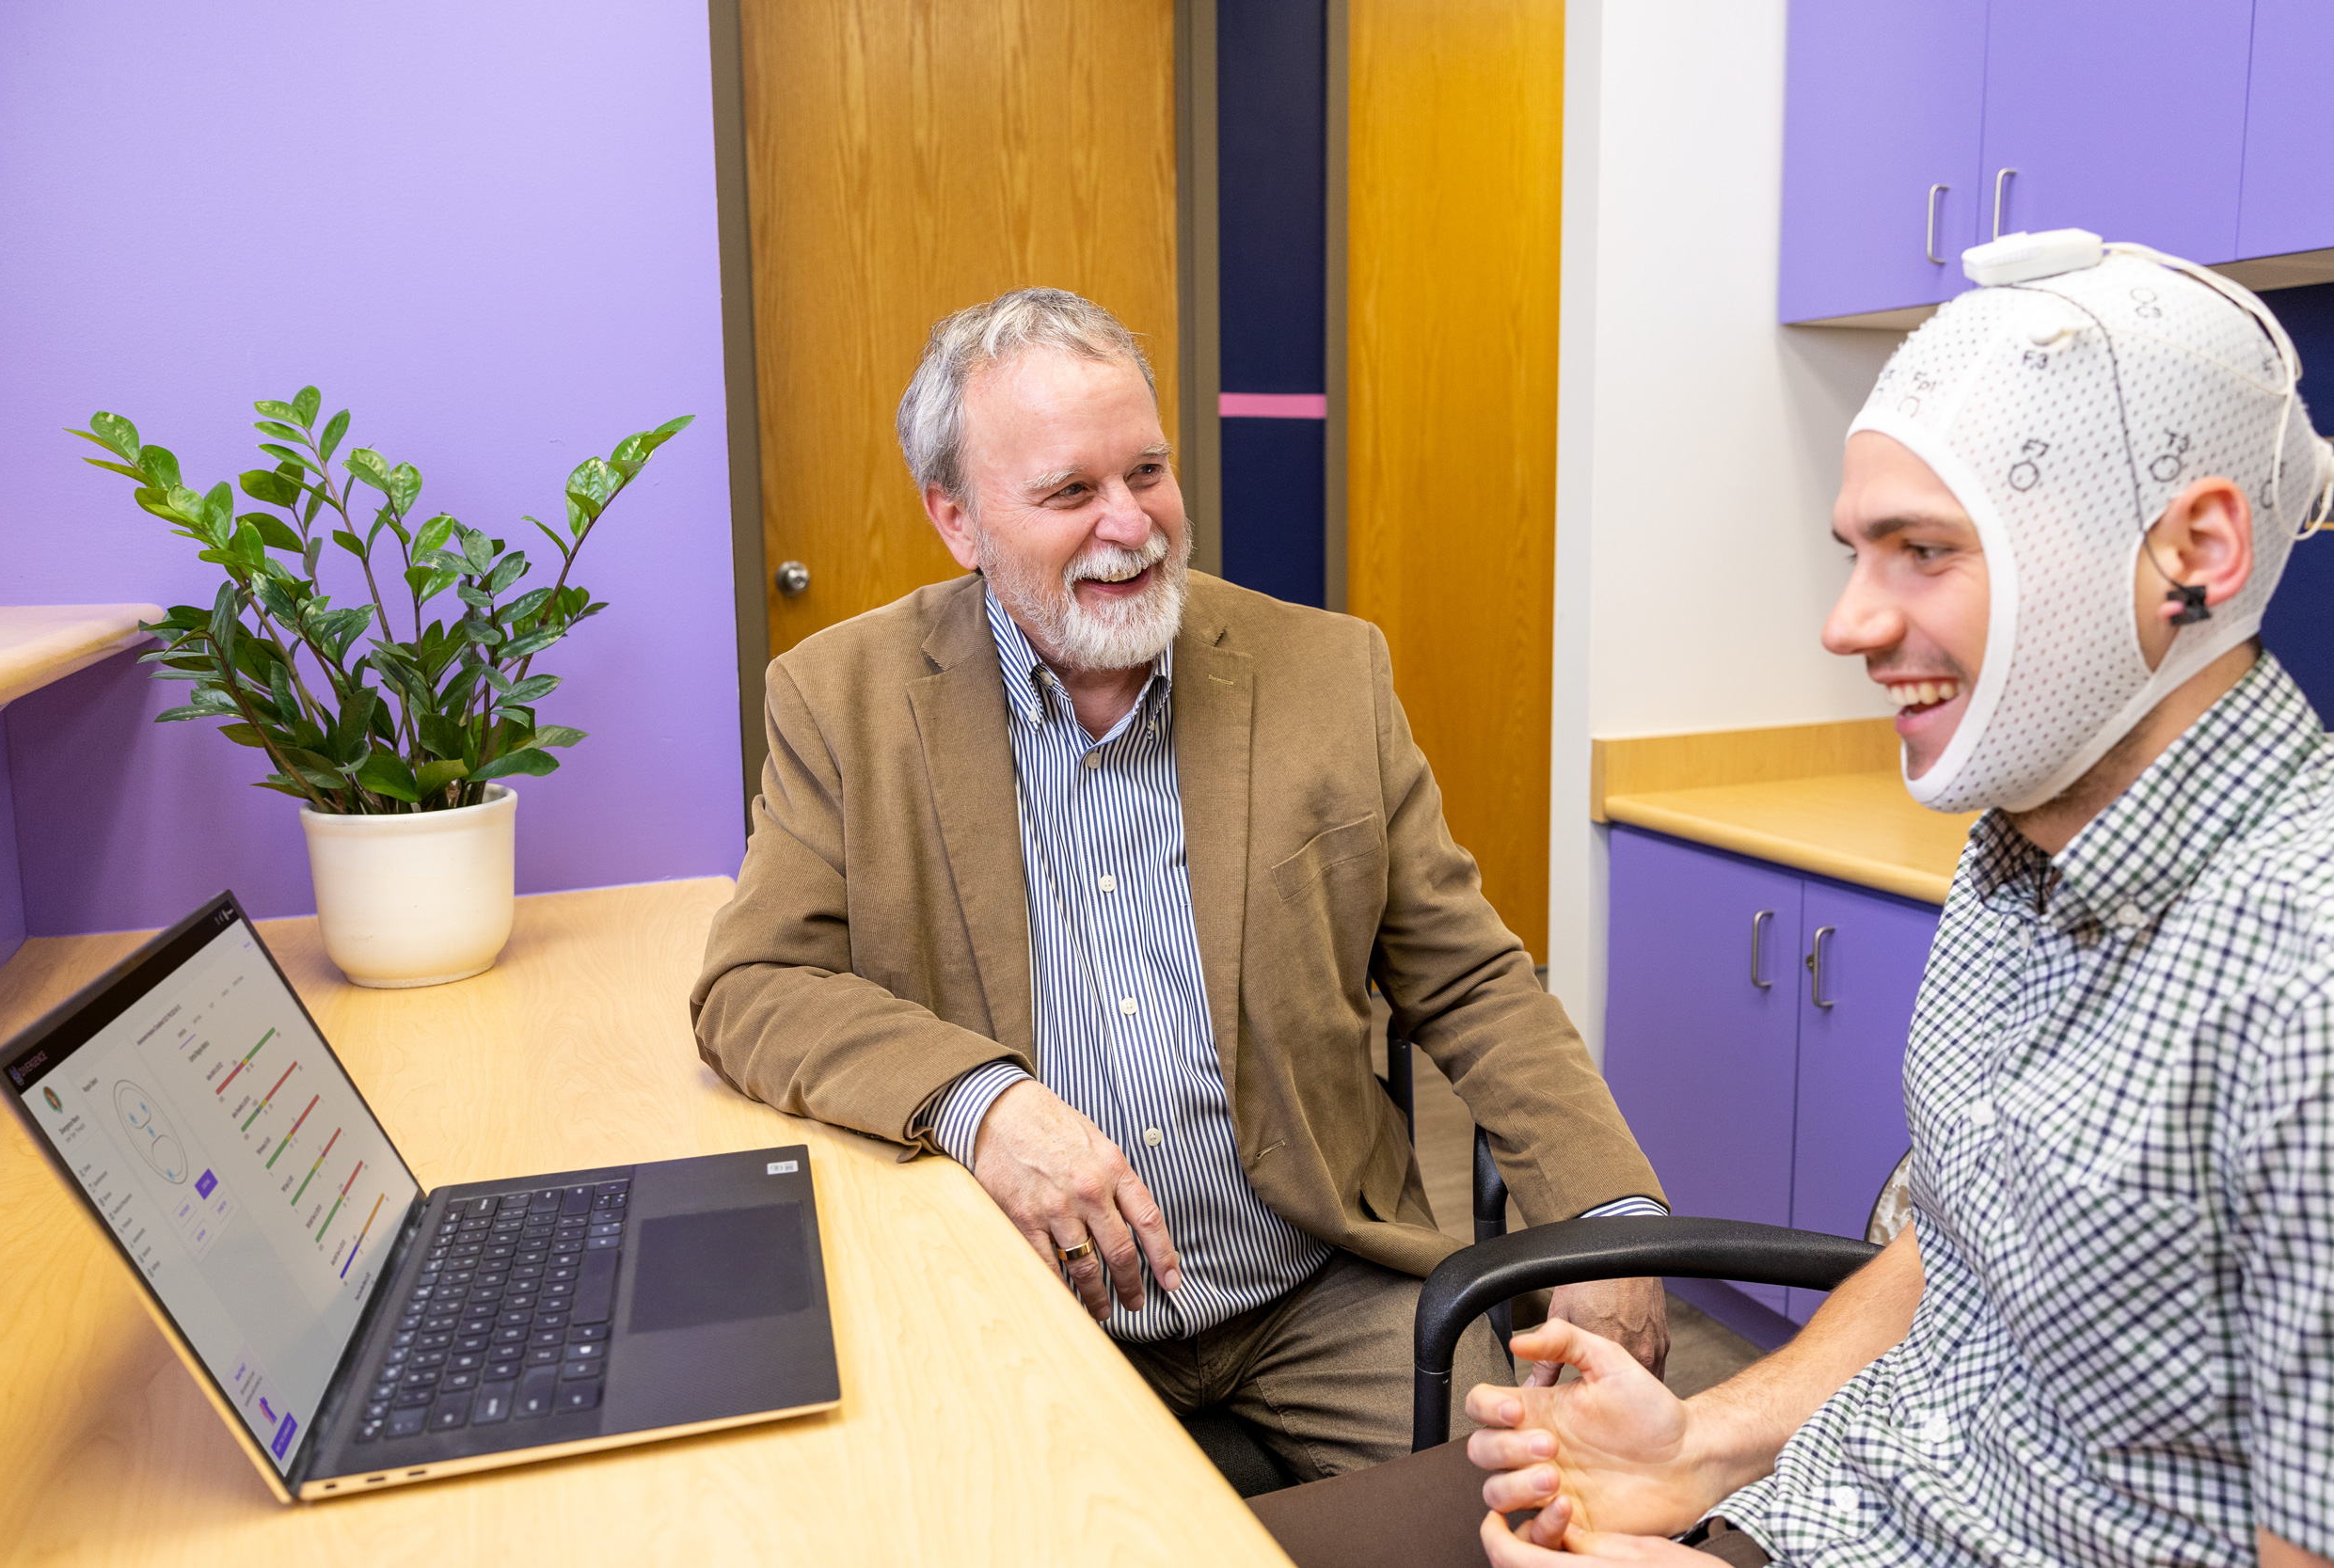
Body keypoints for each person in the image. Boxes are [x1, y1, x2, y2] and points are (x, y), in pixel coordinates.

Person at [1446, 241, 2334, 1565]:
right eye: (1857, 552)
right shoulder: (2017, 844)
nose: (1848, 624)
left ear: (2192, 551)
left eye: (1924, 551)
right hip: (1816, 1506)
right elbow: (1963, 1241)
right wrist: (1703, 1440)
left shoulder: (2302, 983)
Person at [689, 287, 1670, 1480]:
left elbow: (1469, 980)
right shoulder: (840, 701)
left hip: (1319, 1279)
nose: (1130, 524)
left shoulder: (1327, 672)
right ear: (957, 518)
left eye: (1146, 471)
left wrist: (1610, 1223)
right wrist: (983, 1103)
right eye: (1069, 491)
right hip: (1036, 1295)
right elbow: (753, 984)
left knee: (1534, 1517)